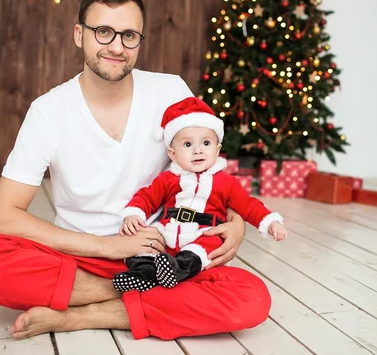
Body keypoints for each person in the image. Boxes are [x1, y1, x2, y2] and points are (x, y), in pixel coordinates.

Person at [0, 0, 271, 341]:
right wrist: (109, 247)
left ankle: (79, 316)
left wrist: (236, 221)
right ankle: (127, 294)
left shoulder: (170, 92)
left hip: (162, 254)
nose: (117, 47)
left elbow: (208, 172)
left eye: (129, 35)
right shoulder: (48, 111)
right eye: (103, 32)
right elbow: (5, 216)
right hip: (79, 256)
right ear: (79, 34)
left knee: (252, 298)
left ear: (139, 40)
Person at [113, 97, 287, 292]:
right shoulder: (168, 179)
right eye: (188, 145)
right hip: (169, 229)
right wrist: (133, 215)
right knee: (143, 245)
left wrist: (271, 222)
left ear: (217, 149)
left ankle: (176, 269)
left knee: (208, 246)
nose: (198, 150)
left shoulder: (226, 182)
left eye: (206, 143)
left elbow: (248, 205)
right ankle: (143, 275)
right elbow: (147, 197)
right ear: (172, 154)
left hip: (204, 232)